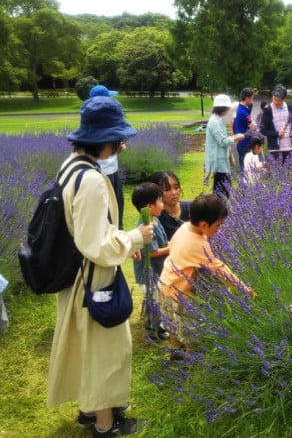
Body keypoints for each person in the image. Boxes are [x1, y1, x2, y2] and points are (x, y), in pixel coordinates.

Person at [48, 95, 154, 437]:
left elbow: (88, 229)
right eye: (118, 140)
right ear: (104, 140)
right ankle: (106, 426)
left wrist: (121, 238)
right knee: (106, 353)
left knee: (89, 348)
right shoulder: (92, 181)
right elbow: (95, 245)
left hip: (75, 275)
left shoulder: (71, 166)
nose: (121, 146)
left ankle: (91, 409)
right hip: (93, 279)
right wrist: (135, 238)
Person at [158, 193, 256, 354]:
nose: (219, 229)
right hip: (180, 293)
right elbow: (221, 270)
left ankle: (175, 353)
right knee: (190, 331)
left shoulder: (184, 228)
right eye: (218, 226)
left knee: (172, 325)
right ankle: (191, 358)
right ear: (204, 224)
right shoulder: (197, 244)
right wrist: (244, 289)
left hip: (164, 283)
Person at [131, 182, 170, 341]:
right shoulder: (146, 226)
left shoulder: (155, 220)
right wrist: (171, 249)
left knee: (156, 299)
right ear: (149, 206)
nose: (162, 204)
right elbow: (152, 252)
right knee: (154, 301)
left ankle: (152, 324)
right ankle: (155, 330)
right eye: (160, 201)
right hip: (148, 273)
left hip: (157, 270)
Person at [90, 85, 126, 229]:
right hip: (105, 175)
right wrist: (118, 148)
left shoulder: (93, 122)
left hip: (107, 172)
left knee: (112, 213)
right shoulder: (102, 123)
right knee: (112, 214)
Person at [204, 94, 245, 199]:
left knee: (223, 190)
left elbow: (222, 138)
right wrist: (236, 138)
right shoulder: (215, 122)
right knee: (221, 192)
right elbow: (222, 141)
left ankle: (220, 212)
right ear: (223, 108)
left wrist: (234, 136)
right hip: (218, 162)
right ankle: (219, 213)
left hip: (221, 160)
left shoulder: (218, 119)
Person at [260, 84, 292, 164]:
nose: (276, 102)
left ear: (284, 99)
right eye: (274, 99)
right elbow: (262, 130)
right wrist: (276, 134)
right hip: (275, 149)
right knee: (276, 173)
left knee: (289, 173)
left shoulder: (289, 107)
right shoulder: (268, 110)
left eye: (279, 100)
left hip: (289, 147)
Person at [150, 170, 190, 241]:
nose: (174, 193)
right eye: (167, 189)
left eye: (176, 187)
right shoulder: (155, 217)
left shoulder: (192, 208)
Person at [233, 87, 258, 171]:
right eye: (252, 99)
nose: (252, 101)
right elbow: (253, 126)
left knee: (244, 163)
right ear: (247, 98)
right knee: (245, 165)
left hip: (241, 141)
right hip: (244, 142)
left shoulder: (241, 108)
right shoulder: (243, 112)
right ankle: (246, 182)